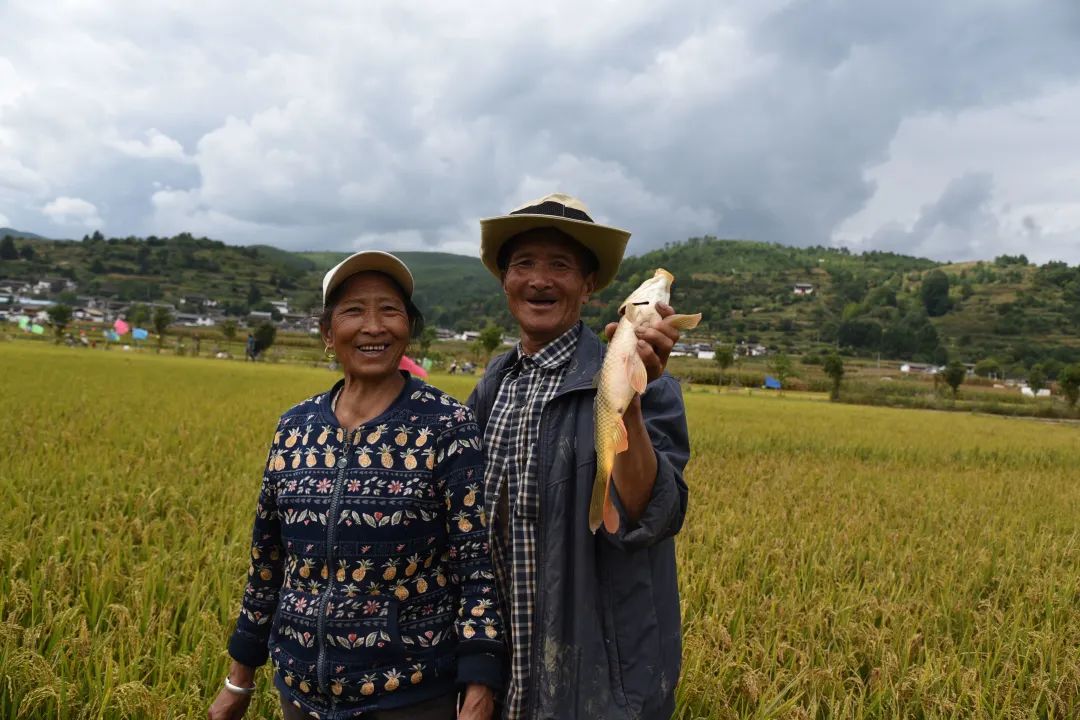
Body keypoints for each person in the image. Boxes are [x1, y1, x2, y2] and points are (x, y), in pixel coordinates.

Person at [209, 251, 506, 720]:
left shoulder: (447, 425)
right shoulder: (295, 428)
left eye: (390, 310)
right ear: (328, 334)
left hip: (410, 696)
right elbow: (267, 564)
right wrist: (238, 680)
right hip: (301, 693)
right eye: (353, 311)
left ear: (408, 327)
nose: (374, 326)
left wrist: (479, 685)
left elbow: (476, 567)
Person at [467, 193, 690, 719]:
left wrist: (627, 405)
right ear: (505, 280)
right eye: (523, 264)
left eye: (560, 265)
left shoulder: (649, 387)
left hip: (595, 690)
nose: (539, 280)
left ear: (589, 285)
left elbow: (648, 516)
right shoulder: (493, 387)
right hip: (502, 678)